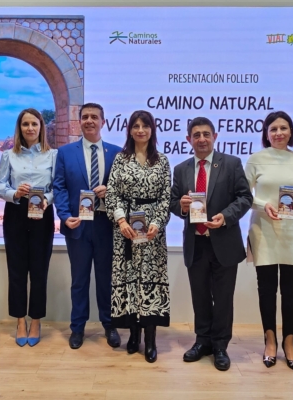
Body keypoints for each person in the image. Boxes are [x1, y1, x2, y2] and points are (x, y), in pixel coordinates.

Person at [170, 117, 253, 371]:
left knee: (224, 298)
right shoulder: (182, 169)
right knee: (200, 297)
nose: (202, 139)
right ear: (188, 140)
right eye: (196, 135)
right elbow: (173, 203)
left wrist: (225, 217)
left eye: (206, 134)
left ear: (215, 137)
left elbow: (245, 197)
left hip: (224, 242)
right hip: (196, 243)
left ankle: (220, 346)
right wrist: (181, 207)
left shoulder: (231, 163)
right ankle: (202, 341)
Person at [245, 111, 293, 372]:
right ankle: (270, 340)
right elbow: (242, 195)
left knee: (292, 290)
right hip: (263, 228)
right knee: (267, 288)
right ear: (266, 133)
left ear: (291, 131)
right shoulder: (255, 159)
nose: (279, 133)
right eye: (273, 129)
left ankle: (290, 342)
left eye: (284, 128)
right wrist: (264, 205)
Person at [53, 103, 122, 350]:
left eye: (94, 117)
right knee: (79, 280)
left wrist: (111, 191)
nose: (89, 120)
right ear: (79, 122)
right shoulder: (65, 153)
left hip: (106, 225)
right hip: (78, 225)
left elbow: (125, 188)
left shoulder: (117, 153)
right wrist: (63, 215)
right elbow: (59, 187)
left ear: (103, 121)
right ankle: (78, 328)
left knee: (106, 279)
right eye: (85, 117)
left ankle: (109, 325)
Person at [105, 110, 171, 363]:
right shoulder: (121, 159)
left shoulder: (162, 160)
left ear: (152, 129)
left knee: (150, 283)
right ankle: (134, 335)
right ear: (129, 130)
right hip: (127, 231)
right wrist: (121, 220)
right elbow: (112, 194)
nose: (140, 130)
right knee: (130, 281)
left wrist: (157, 222)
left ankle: (151, 339)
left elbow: (166, 197)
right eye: (135, 126)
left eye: (145, 125)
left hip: (153, 233)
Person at [0, 108, 57, 347]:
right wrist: (13, 193)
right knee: (17, 270)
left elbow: (56, 188)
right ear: (19, 128)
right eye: (25, 124)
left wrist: (47, 199)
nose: (30, 128)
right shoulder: (9, 155)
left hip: (42, 212)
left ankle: (36, 320)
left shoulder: (53, 155)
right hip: (17, 212)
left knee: (40, 270)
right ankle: (20, 320)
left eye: (34, 124)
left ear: (41, 127)